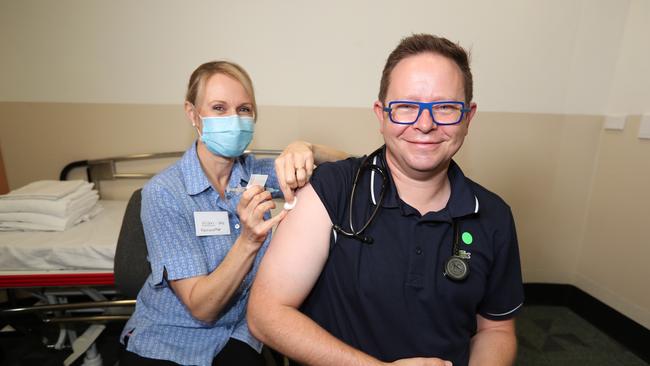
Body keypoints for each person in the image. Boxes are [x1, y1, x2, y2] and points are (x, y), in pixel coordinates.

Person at [247, 34, 524, 366]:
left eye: (446, 107)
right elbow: (266, 314)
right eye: (407, 106)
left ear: (468, 116)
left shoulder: (492, 216)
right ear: (381, 115)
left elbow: (496, 330)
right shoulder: (333, 190)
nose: (425, 124)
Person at [118, 60, 348, 366]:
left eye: (244, 109)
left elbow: (350, 170)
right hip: (170, 340)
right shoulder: (164, 193)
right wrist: (249, 240)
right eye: (218, 108)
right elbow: (202, 307)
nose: (234, 119)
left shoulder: (255, 175)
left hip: (239, 334)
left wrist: (305, 146)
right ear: (192, 113)